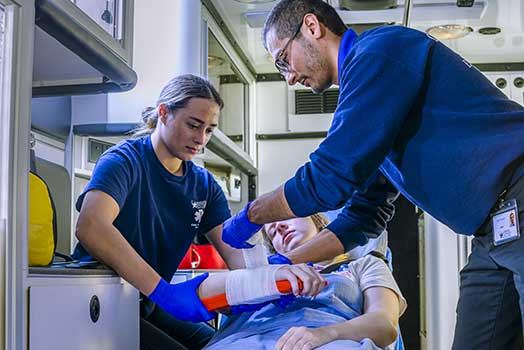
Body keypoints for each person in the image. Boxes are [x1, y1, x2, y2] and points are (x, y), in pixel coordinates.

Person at [221, 0, 524, 348]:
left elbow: (330, 177)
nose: (289, 78)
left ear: (311, 26)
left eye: (283, 60)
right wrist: (282, 263)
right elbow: (364, 216)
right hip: (492, 230)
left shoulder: (379, 51)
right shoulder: (369, 104)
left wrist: (252, 215)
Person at [73, 74, 248, 350]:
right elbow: (91, 225)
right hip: (103, 301)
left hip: (148, 302)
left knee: (224, 344)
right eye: (194, 125)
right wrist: (164, 292)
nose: (201, 138)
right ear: (164, 113)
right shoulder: (124, 161)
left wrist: (269, 283)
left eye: (210, 130)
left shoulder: (203, 186)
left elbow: (235, 251)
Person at [203, 214, 406, 350]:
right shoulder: (262, 275)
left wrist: (324, 334)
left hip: (330, 341)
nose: (279, 227)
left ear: (317, 220)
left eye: (286, 217)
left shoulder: (362, 264)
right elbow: (210, 298)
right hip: (247, 341)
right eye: (272, 232)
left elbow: (384, 325)